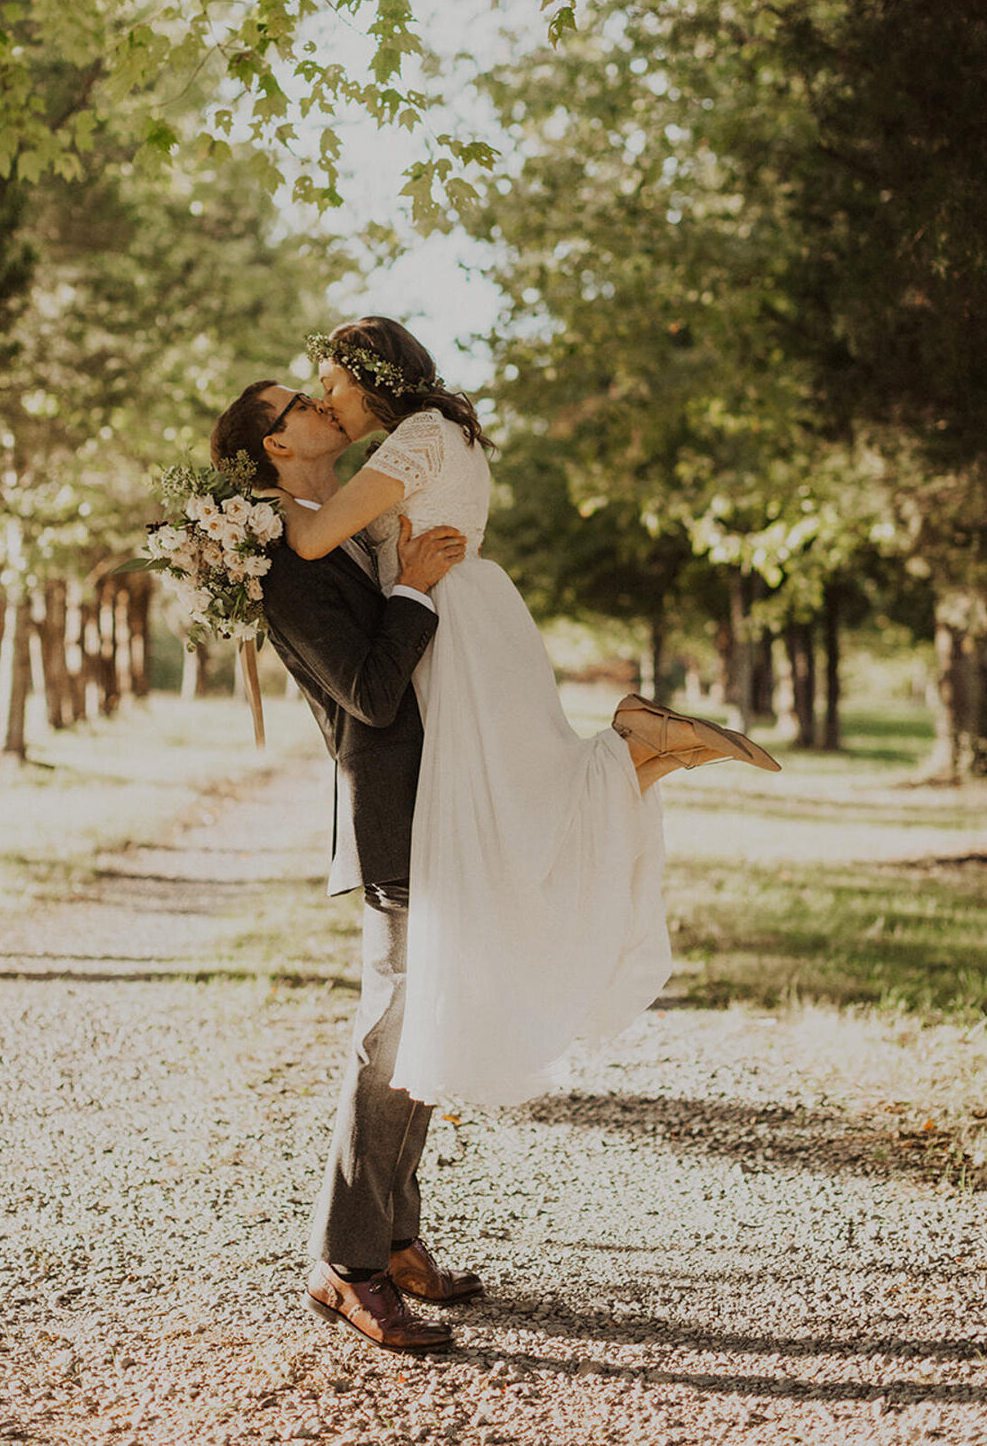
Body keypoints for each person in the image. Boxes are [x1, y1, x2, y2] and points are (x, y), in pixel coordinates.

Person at [278, 318, 779, 1111]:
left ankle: (638, 747)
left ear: (370, 375)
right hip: (474, 611)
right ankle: (639, 753)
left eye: (332, 381)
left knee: (503, 820)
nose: (327, 398)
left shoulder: (413, 440)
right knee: (515, 805)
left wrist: (240, 497)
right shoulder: (448, 432)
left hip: (449, 624)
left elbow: (307, 540)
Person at [209, 380, 482, 1356]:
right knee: (392, 1028)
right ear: (277, 445)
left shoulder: (334, 526)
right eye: (299, 401)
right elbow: (369, 693)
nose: (326, 401)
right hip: (393, 807)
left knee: (425, 1016)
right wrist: (412, 583)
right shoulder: (287, 560)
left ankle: (397, 1239)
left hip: (434, 793)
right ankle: (346, 1262)